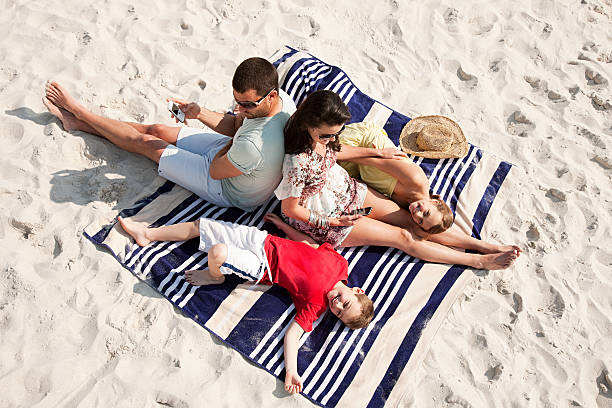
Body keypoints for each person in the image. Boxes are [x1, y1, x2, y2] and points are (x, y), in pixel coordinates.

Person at [117, 213, 374, 395]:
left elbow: (293, 337)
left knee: (217, 252)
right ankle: (147, 234)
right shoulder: (340, 263)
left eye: (338, 313)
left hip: (261, 267)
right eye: (346, 303)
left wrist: (292, 371)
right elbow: (310, 245)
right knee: (201, 226)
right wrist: (284, 227)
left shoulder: (314, 305)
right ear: (356, 290)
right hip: (261, 241)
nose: (336, 306)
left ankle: (213, 277)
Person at [275, 90, 520, 270]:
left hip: (346, 190)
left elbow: (336, 152)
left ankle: (482, 245)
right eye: (328, 134)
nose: (332, 139)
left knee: (414, 223)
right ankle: (478, 260)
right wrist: (332, 220)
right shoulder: (297, 162)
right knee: (402, 237)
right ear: (310, 124)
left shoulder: (323, 137)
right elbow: (291, 208)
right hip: (324, 216)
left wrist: (377, 152)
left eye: (336, 133)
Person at [43, 57, 297, 212]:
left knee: (147, 142)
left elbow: (216, 170)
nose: (240, 109)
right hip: (234, 155)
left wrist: (235, 141)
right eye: (237, 102)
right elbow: (234, 127)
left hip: (226, 186)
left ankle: (79, 112)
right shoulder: (280, 101)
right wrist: (198, 113)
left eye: (247, 105)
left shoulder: (253, 144)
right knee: (157, 130)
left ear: (270, 95)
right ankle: (78, 124)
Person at [337, 120, 515, 254]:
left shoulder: (412, 209)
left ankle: (483, 246)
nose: (418, 214)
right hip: (363, 147)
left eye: (421, 221)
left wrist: (484, 246)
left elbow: (432, 230)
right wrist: (336, 155)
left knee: (423, 232)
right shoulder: (416, 180)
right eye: (426, 212)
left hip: (358, 168)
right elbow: (373, 158)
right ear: (436, 201)